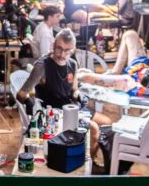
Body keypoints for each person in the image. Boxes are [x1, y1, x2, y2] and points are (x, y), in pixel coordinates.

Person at [16, 29, 109, 160]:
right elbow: (21, 93)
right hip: (52, 113)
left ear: (73, 50)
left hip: (70, 108)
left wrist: (79, 96)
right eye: (59, 49)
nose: (62, 54)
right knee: (94, 129)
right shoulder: (42, 66)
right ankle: (81, 161)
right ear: (53, 45)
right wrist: (27, 101)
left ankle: (89, 161)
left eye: (67, 51)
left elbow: (74, 90)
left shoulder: (73, 64)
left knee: (106, 123)